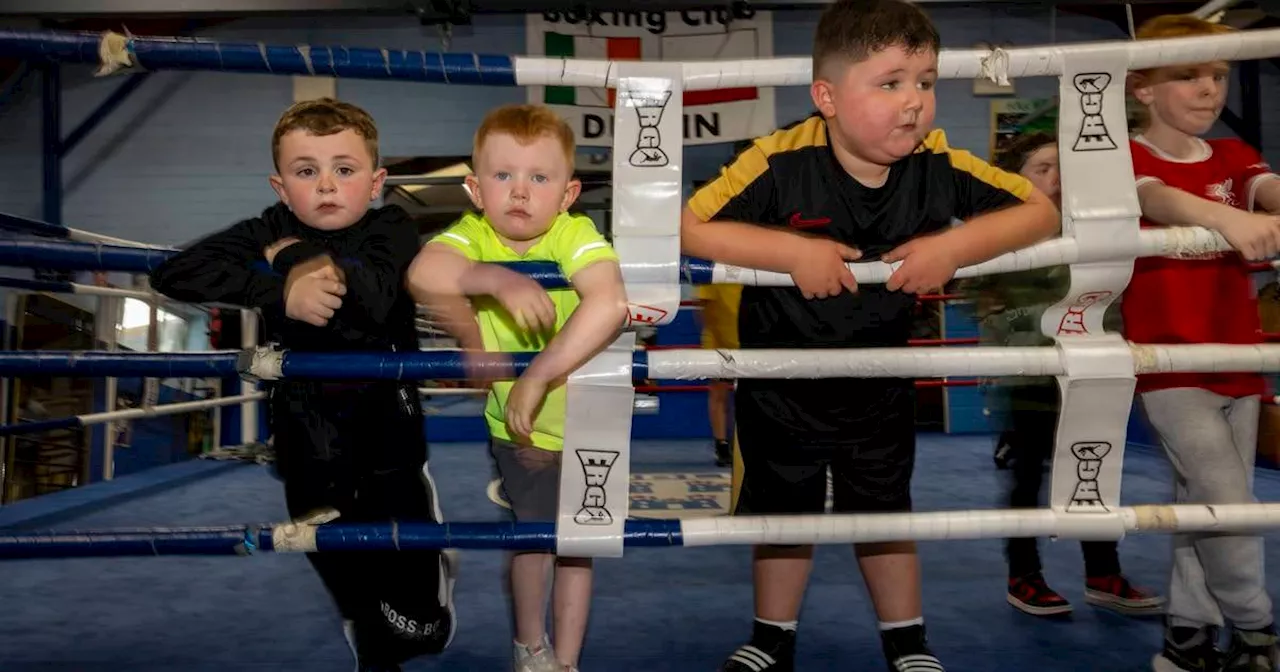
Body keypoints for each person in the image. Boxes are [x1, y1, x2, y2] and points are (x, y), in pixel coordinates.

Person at [680, 1, 1061, 669]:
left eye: (925, 80)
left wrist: (958, 246)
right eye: (889, 83)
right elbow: (691, 225)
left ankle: (906, 638)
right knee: (782, 519)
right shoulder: (780, 158)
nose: (913, 102)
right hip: (779, 382)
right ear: (826, 96)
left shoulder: (937, 162)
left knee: (885, 514)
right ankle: (771, 636)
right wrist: (791, 252)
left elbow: (1040, 212)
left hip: (878, 382)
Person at [148, 98, 455, 672]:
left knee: (417, 609)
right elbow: (172, 272)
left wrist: (296, 254)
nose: (327, 186)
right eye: (306, 171)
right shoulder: (268, 224)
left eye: (345, 169)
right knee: (320, 530)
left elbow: (376, 295)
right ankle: (367, 629)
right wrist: (277, 291)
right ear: (281, 186)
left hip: (385, 413)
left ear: (376, 181)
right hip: (302, 417)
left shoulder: (391, 224)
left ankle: (417, 605)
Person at [407, 103, 627, 672]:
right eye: (503, 176)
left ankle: (569, 660)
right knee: (534, 540)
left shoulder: (576, 233)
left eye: (539, 177)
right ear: (475, 190)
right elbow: (423, 273)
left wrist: (536, 376)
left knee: (579, 547)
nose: (521, 193)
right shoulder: (474, 235)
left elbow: (610, 301)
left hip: (587, 419)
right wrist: (495, 278)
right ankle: (530, 646)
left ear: (569, 192)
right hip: (522, 430)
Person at [1123, 14, 1280, 672]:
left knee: (1205, 502)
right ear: (1142, 89)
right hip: (1169, 359)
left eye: (1217, 74)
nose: (1209, 88)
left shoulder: (1233, 156)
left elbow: (1267, 187)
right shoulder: (1124, 155)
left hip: (1239, 356)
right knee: (1226, 495)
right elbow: (1160, 202)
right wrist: (1227, 218)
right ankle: (1257, 627)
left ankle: (1187, 638)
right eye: (1187, 74)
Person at [965, 131, 1164, 617]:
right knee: (1028, 478)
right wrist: (1029, 330)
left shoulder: (1094, 227)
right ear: (1018, 178)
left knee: (1094, 472)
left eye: (1061, 167)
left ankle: (1103, 573)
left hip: (1093, 372)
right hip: (1032, 377)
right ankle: (1024, 576)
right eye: (1041, 168)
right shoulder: (1001, 228)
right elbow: (980, 299)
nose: (1055, 178)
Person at [697, 282, 742, 467]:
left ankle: (744, 444)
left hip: (749, 339)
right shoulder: (713, 268)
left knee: (753, 395)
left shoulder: (753, 264)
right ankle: (722, 445)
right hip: (719, 342)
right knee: (718, 393)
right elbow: (703, 307)